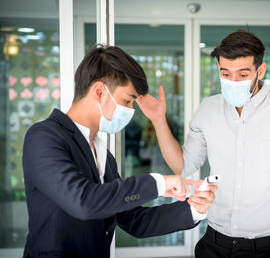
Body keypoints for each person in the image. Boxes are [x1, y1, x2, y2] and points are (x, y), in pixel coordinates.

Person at [136, 29, 270, 258]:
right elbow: (182, 166)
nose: (233, 81)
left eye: (242, 74)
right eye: (225, 73)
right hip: (213, 243)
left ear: (260, 70)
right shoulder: (207, 109)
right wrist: (159, 122)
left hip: (265, 248)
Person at [22, 45, 217, 258]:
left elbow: (134, 221)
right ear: (99, 92)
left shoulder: (102, 153)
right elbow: (83, 201)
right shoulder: (43, 137)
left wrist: (194, 209)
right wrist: (159, 183)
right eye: (127, 100)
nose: (131, 111)